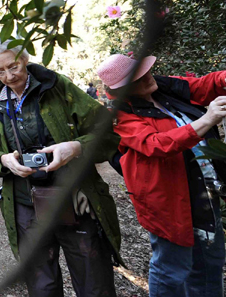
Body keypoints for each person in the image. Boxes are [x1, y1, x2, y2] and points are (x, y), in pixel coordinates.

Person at [0, 37, 123, 297]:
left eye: (13, 67)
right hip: (25, 203)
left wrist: (76, 147)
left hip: (76, 198)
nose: (8, 76)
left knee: (94, 281)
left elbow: (108, 133)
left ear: (25, 60)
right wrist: (3, 160)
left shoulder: (57, 87)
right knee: (41, 284)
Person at [96, 54, 226, 297]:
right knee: (172, 269)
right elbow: (156, 144)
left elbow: (203, 85)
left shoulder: (165, 88)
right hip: (167, 202)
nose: (148, 77)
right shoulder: (118, 115)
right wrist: (208, 119)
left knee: (210, 262)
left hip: (203, 193)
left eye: (146, 71)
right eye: (138, 78)